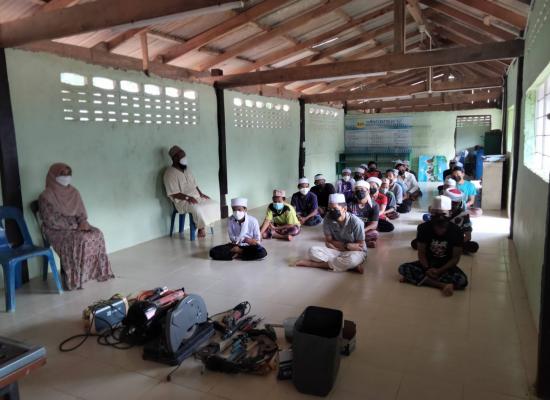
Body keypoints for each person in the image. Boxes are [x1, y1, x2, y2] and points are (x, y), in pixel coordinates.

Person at [38, 163, 114, 290]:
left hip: (76, 225)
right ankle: (75, 278)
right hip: (56, 229)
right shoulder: (46, 196)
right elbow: (51, 220)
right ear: (53, 176)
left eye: (69, 174)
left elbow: (81, 213)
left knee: (97, 234)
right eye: (62, 174)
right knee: (79, 239)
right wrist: (72, 225)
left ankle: (94, 272)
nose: (66, 177)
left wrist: (83, 222)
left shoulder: (74, 192)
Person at [399, 196, 468, 297]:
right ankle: (442, 285)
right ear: (431, 213)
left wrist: (439, 270)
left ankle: (420, 279)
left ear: (450, 213)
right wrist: (427, 268)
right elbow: (421, 253)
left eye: (443, 214)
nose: (440, 217)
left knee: (462, 281)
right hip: (427, 263)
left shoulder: (457, 231)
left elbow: (455, 258)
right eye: (436, 214)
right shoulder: (423, 228)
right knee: (403, 268)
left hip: (445, 265)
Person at [296, 193, 366, 273]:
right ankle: (348, 266)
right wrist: (346, 246)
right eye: (329, 209)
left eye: (335, 209)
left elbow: (360, 246)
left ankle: (314, 264)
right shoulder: (327, 219)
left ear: (344, 209)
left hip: (354, 252)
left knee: (352, 260)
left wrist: (344, 247)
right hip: (336, 250)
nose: (331, 212)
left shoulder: (356, 222)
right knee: (313, 251)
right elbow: (329, 241)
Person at [163, 145, 219, 238]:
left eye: (184, 155)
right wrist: (187, 197)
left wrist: (201, 194)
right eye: (182, 156)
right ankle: (201, 228)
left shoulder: (187, 170)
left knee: (213, 203)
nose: (184, 158)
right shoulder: (169, 173)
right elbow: (173, 193)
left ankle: (204, 225)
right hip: (182, 201)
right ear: (175, 158)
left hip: (196, 196)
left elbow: (194, 184)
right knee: (197, 209)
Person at [348, 180, 379, 248]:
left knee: (374, 233)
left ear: (368, 191)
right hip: (353, 230)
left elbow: (374, 224)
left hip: (365, 230)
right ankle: (363, 243)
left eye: (362, 189)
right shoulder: (350, 204)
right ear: (354, 192)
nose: (359, 191)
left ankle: (355, 243)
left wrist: (362, 231)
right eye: (357, 189)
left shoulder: (374, 205)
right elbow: (347, 222)